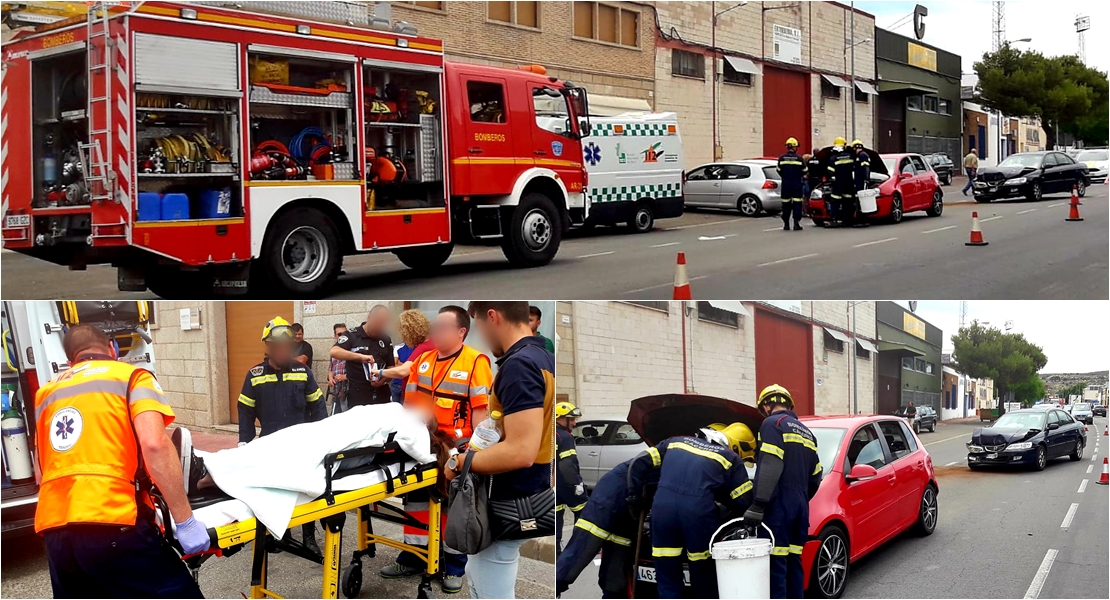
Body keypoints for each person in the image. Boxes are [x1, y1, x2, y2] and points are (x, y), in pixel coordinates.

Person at [34, 324, 207, 598]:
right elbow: (154, 444)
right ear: (112, 348)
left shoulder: (45, 395)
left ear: (71, 361)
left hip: (55, 530)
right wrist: (185, 522)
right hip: (113, 520)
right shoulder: (132, 377)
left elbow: (41, 471)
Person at [445, 302, 554, 599]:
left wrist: (459, 462)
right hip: (519, 497)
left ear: (492, 317)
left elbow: (521, 450)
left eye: (478, 325)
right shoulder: (541, 357)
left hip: (507, 500)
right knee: (484, 577)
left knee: (491, 588)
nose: (479, 335)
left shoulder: (520, 365)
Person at [382, 306, 492, 593]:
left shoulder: (475, 362)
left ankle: (454, 565)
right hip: (422, 445)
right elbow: (410, 405)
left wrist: (472, 454)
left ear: (461, 332)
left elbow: (481, 414)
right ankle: (414, 556)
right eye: (435, 327)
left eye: (443, 327)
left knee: (453, 508)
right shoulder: (424, 360)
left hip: (456, 449)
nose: (436, 333)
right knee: (416, 502)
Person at [626, 424, 756, 599]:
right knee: (702, 571)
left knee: (666, 570)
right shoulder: (730, 458)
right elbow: (743, 501)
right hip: (698, 515)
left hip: (662, 511)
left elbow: (639, 462)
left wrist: (634, 499)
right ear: (737, 446)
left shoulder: (675, 442)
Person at [238, 317, 327, 556]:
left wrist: (323, 436)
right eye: (277, 345)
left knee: (307, 491)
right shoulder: (255, 374)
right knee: (276, 490)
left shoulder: (302, 372)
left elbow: (318, 405)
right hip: (271, 443)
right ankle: (281, 533)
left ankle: (309, 537)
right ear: (268, 346)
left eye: (286, 345)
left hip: (301, 443)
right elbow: (245, 410)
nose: (282, 350)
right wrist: (244, 442)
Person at [742, 385, 822, 600]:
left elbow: (770, 464)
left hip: (778, 507)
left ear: (767, 405)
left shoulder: (772, 424)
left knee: (775, 565)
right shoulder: (807, 432)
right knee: (794, 563)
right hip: (800, 507)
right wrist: (801, 498)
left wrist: (758, 504)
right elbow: (816, 476)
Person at [556, 457, 654, 599]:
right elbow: (567, 466)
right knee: (587, 543)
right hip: (615, 497)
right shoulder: (564, 437)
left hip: (625, 498)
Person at [330, 305, 396, 406]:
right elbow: (334, 351)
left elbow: (391, 367)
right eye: (378, 322)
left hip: (381, 393)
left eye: (383, 324)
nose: (380, 327)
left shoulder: (386, 339)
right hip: (358, 394)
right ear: (369, 317)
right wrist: (360, 357)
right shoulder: (352, 335)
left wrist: (383, 380)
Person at [555, 402, 588, 555]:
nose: (574, 423)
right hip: (567, 484)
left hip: (554, 484)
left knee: (557, 516)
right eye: (571, 419)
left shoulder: (551, 434)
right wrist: (576, 484)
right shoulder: (565, 437)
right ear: (560, 419)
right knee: (584, 512)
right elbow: (567, 465)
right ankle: (578, 548)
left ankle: (556, 551)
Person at [391, 309, 435, 405]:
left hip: (414, 398)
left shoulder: (423, 347)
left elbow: (403, 371)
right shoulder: (431, 343)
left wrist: (379, 372)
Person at [777, 137, 806, 231]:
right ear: (794, 147)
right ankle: (796, 224)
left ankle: (786, 224)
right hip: (796, 184)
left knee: (785, 204)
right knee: (797, 204)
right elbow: (805, 171)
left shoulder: (781, 158)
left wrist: (785, 177)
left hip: (786, 184)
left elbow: (778, 170)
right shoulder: (799, 159)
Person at [826, 136, 855, 227]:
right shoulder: (850, 156)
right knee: (848, 202)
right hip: (849, 183)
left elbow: (830, 172)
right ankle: (848, 220)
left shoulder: (833, 158)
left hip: (838, 183)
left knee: (835, 201)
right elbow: (854, 168)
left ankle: (834, 220)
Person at [327, 323, 349, 414]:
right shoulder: (334, 350)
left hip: (348, 392)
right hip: (336, 392)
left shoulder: (352, 350)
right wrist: (331, 378)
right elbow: (330, 368)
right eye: (340, 334)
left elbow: (359, 372)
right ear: (335, 336)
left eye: (345, 333)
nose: (343, 336)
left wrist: (345, 376)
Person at [851, 139, 871, 228]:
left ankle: (863, 220)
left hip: (862, 182)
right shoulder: (860, 155)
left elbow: (866, 167)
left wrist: (866, 180)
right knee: (859, 200)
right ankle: (861, 219)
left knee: (861, 201)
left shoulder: (862, 155)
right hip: (859, 181)